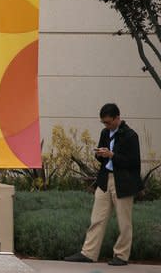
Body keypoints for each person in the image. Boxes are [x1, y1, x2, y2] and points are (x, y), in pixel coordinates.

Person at [64, 103, 143, 266]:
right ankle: (88, 253)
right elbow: (101, 158)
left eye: (108, 122)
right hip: (105, 179)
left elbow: (134, 163)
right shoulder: (105, 132)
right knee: (97, 219)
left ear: (117, 118)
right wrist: (100, 155)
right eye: (104, 123)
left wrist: (112, 155)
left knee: (124, 222)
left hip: (123, 182)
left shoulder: (130, 136)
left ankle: (121, 255)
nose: (106, 125)